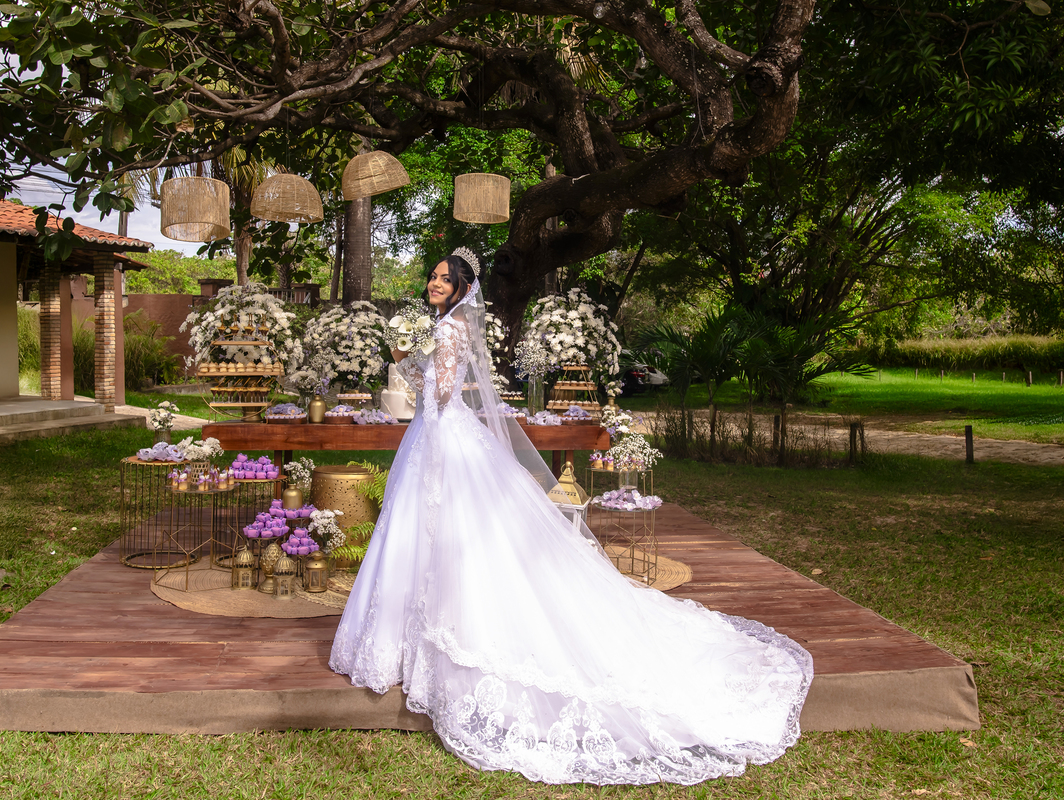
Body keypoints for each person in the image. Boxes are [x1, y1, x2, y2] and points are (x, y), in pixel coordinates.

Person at [330, 249, 813, 786]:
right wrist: (412, 356)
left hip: (442, 441)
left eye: (445, 279)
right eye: (433, 276)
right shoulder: (452, 328)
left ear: (465, 288)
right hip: (445, 435)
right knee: (442, 538)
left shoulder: (445, 333)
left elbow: (439, 396)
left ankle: (421, 642)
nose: (434, 283)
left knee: (438, 534)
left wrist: (408, 360)